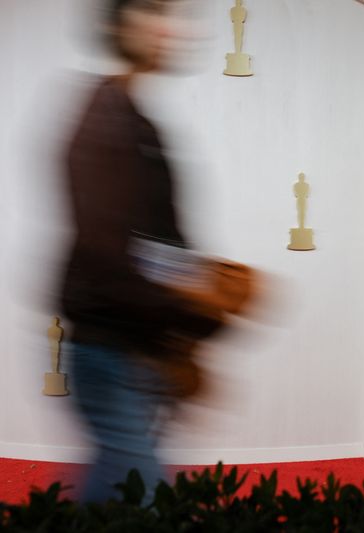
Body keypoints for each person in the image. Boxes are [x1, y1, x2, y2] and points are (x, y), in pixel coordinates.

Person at [59, 0, 250, 503]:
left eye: (173, 13)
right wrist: (198, 312)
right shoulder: (104, 120)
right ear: (115, 25)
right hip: (110, 351)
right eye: (150, 10)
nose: (170, 27)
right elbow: (106, 258)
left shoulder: (133, 117)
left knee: (112, 495)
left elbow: (157, 245)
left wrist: (203, 295)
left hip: (136, 349)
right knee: (143, 500)